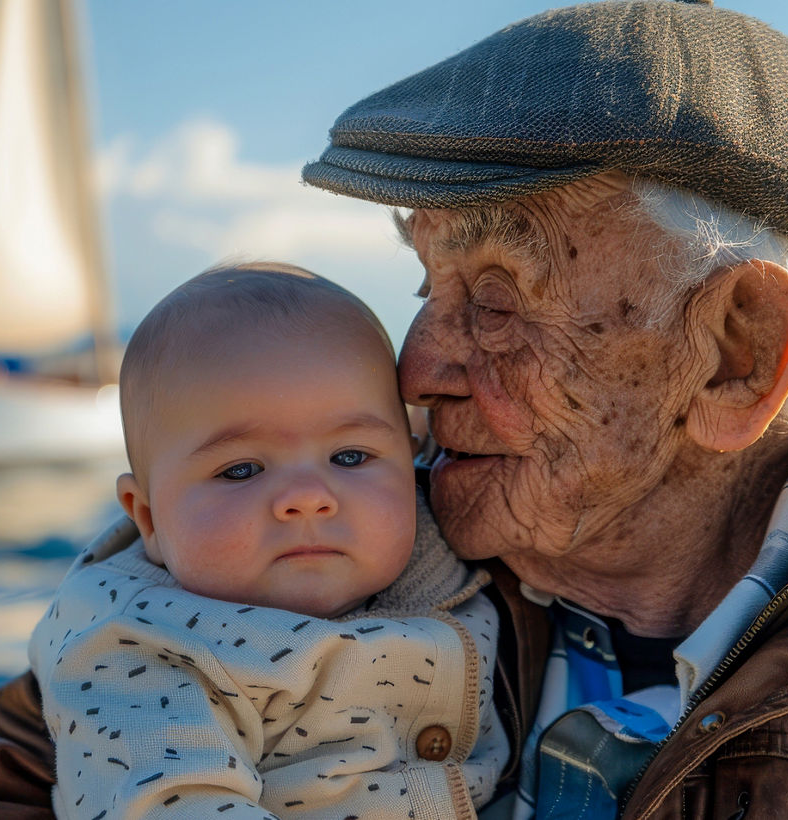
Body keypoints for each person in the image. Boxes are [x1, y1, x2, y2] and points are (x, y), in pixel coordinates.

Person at [0, 0, 788, 819]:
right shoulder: (359, 524)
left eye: (495, 298)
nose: (416, 366)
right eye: (425, 287)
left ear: (739, 355)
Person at [30, 262, 508, 818]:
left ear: (411, 461)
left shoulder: (468, 536)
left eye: (350, 457)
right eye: (241, 470)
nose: (307, 497)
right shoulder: (136, 650)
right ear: (150, 517)